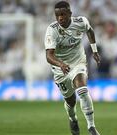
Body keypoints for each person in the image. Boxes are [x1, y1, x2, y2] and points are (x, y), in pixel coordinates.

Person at [44, 1, 101, 135]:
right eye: (57, 15)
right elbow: (48, 56)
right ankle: (73, 118)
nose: (60, 18)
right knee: (70, 101)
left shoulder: (81, 22)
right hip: (60, 69)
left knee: (82, 88)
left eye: (63, 14)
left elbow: (90, 30)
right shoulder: (52, 30)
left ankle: (91, 127)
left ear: (70, 13)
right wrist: (61, 64)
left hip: (78, 62)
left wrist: (94, 51)